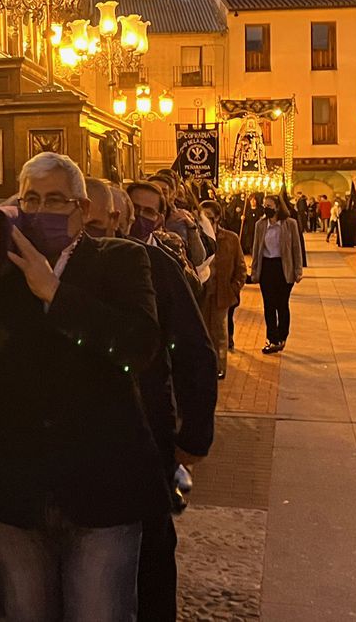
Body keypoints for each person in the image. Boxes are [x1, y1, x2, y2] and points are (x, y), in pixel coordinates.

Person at [0, 153, 161, 621]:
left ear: (82, 209)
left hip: (102, 488)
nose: (41, 210)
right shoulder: (1, 270)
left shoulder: (121, 259)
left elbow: (139, 346)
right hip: (16, 489)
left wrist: (55, 294)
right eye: (31, 199)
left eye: (56, 200)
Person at [110, 180, 215, 622]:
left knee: (151, 547)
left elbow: (195, 353)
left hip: (147, 430)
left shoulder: (159, 263)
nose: (136, 219)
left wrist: (191, 439)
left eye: (145, 211)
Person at [250, 195, 304, 354]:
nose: (266, 207)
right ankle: (271, 338)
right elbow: (256, 249)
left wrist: (298, 270)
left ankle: (282, 335)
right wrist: (254, 271)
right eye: (264, 205)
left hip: (283, 266)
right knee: (268, 304)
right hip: (267, 267)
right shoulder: (260, 225)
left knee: (282, 303)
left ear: (277, 207)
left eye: (269, 205)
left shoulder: (290, 224)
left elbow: (296, 248)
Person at [199, 198, 247, 376]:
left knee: (219, 331)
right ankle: (205, 364)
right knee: (202, 331)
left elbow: (241, 267)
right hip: (202, 293)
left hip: (222, 293)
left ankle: (220, 366)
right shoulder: (197, 238)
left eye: (210, 218)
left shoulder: (230, 238)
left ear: (218, 218)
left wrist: (234, 288)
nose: (206, 222)